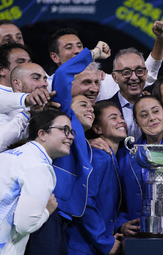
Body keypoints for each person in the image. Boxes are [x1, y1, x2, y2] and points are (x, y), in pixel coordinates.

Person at [24, 41, 109, 255]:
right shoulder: (65, 115)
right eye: (82, 104)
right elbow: (62, 76)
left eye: (91, 107)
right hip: (50, 211)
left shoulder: (84, 138)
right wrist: (93, 54)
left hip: (65, 219)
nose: (89, 107)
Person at [0, 109, 74, 255]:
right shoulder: (39, 166)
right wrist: (47, 211)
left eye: (71, 132)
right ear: (42, 134)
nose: (70, 136)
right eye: (64, 130)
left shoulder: (7, 155)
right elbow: (24, 226)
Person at [116, 95, 163, 236]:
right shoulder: (124, 156)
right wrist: (121, 223)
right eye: (144, 115)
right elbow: (116, 200)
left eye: (156, 111)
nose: (151, 118)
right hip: (138, 233)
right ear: (137, 123)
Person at [47, 22, 163, 100]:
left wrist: (160, 40)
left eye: (80, 46)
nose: (77, 51)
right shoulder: (48, 85)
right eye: (69, 47)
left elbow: (144, 75)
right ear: (55, 57)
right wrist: (93, 53)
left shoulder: (103, 81)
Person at [67, 101, 126, 255]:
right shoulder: (99, 156)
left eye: (121, 116)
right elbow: (85, 201)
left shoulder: (113, 157)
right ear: (97, 129)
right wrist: (104, 241)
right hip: (83, 246)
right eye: (113, 118)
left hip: (94, 244)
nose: (121, 121)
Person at [0, 62, 56, 152]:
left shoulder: (47, 106)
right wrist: (28, 114)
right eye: (36, 78)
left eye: (45, 79)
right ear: (17, 84)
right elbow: (2, 143)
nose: (44, 83)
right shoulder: (5, 108)